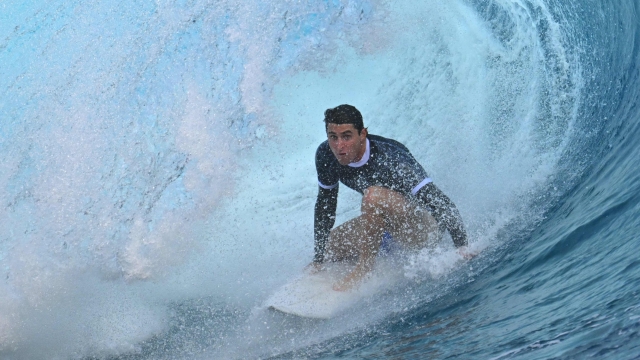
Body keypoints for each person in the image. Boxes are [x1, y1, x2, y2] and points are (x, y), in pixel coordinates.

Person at [310, 104, 473, 291]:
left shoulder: (391, 158)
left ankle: (364, 269)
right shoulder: (325, 155)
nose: (339, 146)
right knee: (329, 247)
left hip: (422, 228)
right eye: (333, 137)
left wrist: (462, 248)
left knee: (373, 197)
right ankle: (380, 249)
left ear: (362, 134)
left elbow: (441, 203)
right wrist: (318, 259)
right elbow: (325, 205)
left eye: (347, 136)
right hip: (387, 227)